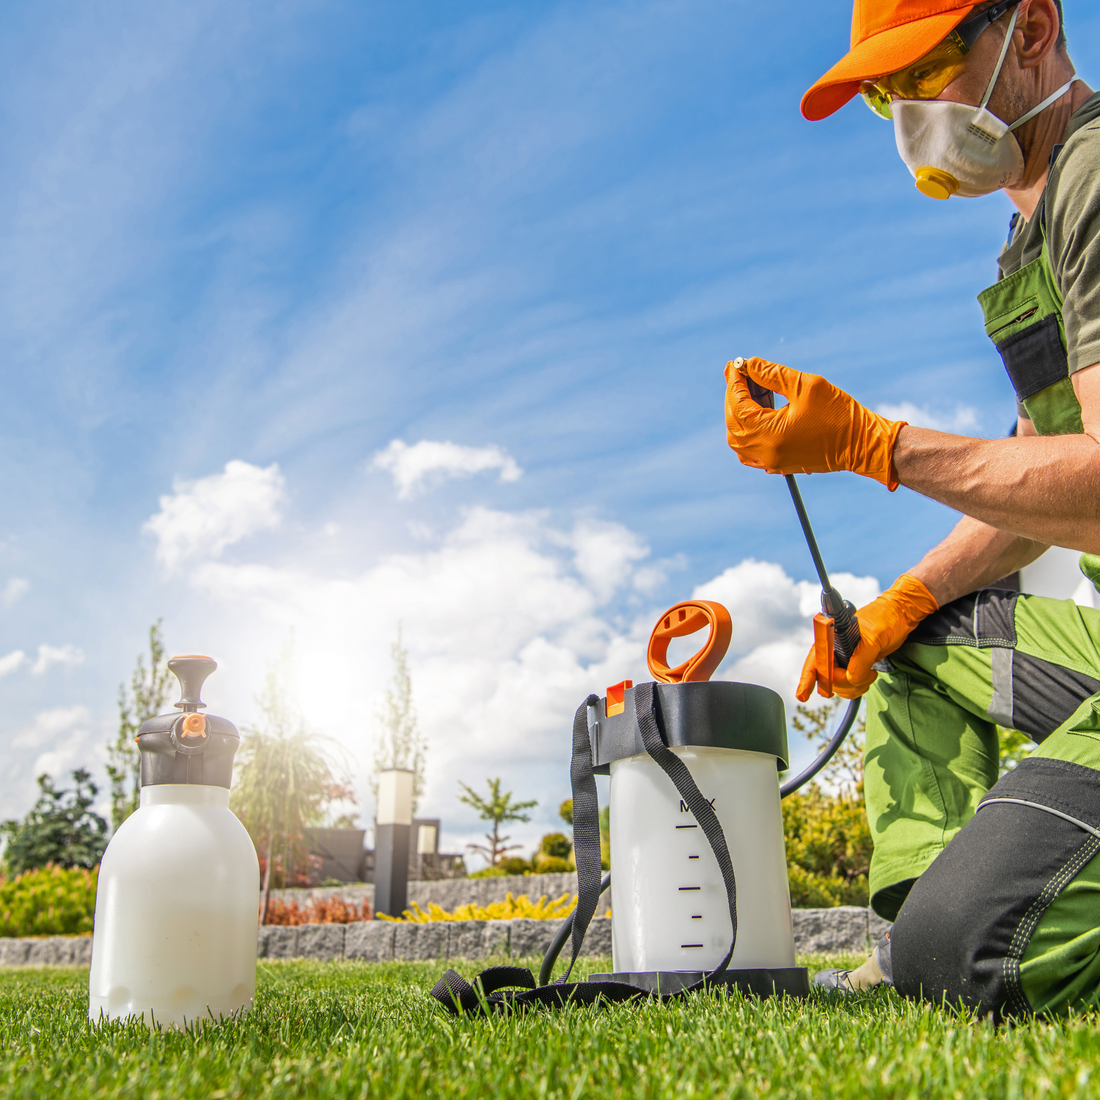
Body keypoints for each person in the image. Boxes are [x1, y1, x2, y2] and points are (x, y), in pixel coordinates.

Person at [724, 0, 1100, 1018]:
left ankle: (950, 933)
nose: (906, 121)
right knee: (916, 646)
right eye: (884, 99)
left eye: (924, 73)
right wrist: (903, 597)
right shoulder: (1027, 236)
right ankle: (920, 929)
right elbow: (1039, 478)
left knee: (976, 951)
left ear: (1028, 28)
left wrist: (869, 445)